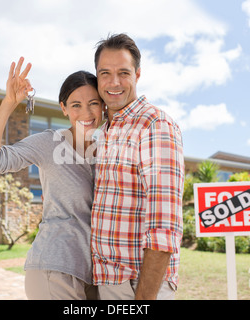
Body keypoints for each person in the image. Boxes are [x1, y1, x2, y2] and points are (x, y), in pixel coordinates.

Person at [0, 57, 104, 300]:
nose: (86, 112)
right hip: (54, 268)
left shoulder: (108, 151)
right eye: (76, 105)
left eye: (93, 103)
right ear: (63, 108)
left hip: (93, 275)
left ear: (103, 106)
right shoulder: (48, 143)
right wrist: (9, 104)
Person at [91, 34, 185, 300]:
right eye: (105, 73)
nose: (114, 82)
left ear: (138, 74)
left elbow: (165, 225)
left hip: (138, 286)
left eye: (123, 72)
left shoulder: (154, 124)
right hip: (110, 281)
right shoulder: (107, 130)